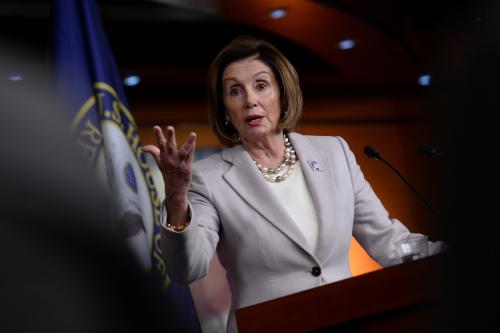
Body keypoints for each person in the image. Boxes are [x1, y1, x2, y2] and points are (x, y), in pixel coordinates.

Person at [142, 35, 445, 332]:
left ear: (282, 94)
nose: (250, 100)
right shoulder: (209, 178)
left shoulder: (333, 152)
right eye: (235, 91)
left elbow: (388, 241)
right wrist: (177, 197)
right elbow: (187, 268)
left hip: (349, 319)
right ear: (224, 109)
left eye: (261, 85)